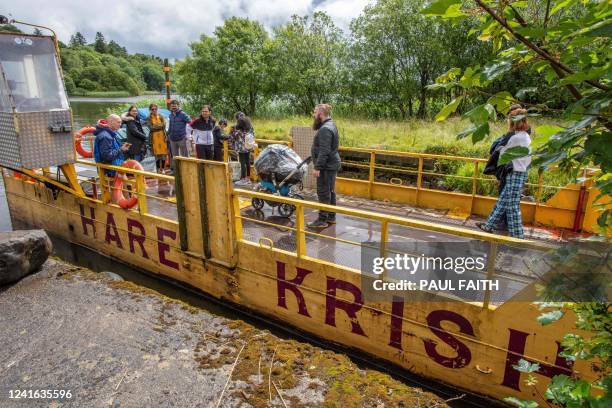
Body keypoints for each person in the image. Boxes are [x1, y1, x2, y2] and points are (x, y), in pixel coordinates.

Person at [477, 108, 532, 238]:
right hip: (520, 171)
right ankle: (489, 225)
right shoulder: (525, 136)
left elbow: (498, 151)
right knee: (503, 200)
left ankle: (518, 236)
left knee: (512, 205)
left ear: (512, 122)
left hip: (515, 171)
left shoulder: (514, 137)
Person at [307, 104, 341, 229]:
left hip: (326, 167)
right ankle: (331, 217)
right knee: (330, 192)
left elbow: (324, 151)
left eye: (315, 113)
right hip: (330, 165)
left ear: (320, 114)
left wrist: (317, 167)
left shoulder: (325, 129)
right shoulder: (331, 125)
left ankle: (322, 220)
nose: (314, 115)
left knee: (323, 193)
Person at [230, 112, 255, 184]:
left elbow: (232, 137)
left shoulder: (237, 127)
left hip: (241, 147)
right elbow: (253, 134)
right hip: (248, 146)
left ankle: (243, 179)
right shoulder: (250, 126)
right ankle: (248, 178)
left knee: (242, 162)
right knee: (247, 162)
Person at [145, 103, 168, 174]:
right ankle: (158, 169)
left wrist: (156, 126)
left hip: (162, 137)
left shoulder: (160, 116)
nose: (154, 110)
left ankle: (163, 169)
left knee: (164, 154)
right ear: (150, 110)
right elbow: (151, 128)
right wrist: (160, 126)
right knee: (157, 154)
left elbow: (164, 125)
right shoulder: (148, 118)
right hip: (154, 138)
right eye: (152, 109)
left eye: (155, 109)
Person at [167, 100, 191, 164]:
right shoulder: (170, 115)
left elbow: (191, 122)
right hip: (172, 139)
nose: (173, 108)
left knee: (185, 157)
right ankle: (178, 172)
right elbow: (170, 126)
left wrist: (188, 135)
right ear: (170, 107)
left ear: (178, 106)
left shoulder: (183, 114)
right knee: (175, 157)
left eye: (175, 106)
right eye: (172, 106)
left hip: (182, 138)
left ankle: (187, 171)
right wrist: (167, 135)